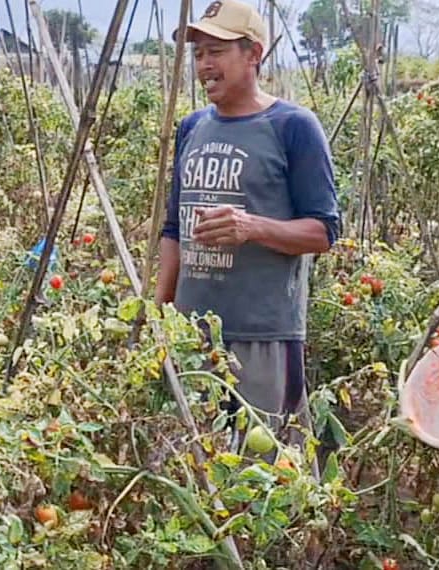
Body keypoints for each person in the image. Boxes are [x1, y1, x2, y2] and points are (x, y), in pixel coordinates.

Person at [155, 0, 340, 458]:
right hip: (192, 336)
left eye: (216, 51)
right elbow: (174, 229)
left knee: (264, 467)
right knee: (194, 463)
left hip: (261, 335)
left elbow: (323, 231)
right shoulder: (191, 128)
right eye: (198, 54)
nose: (204, 64)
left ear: (254, 54)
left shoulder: (293, 127)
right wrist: (159, 314)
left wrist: (251, 226)